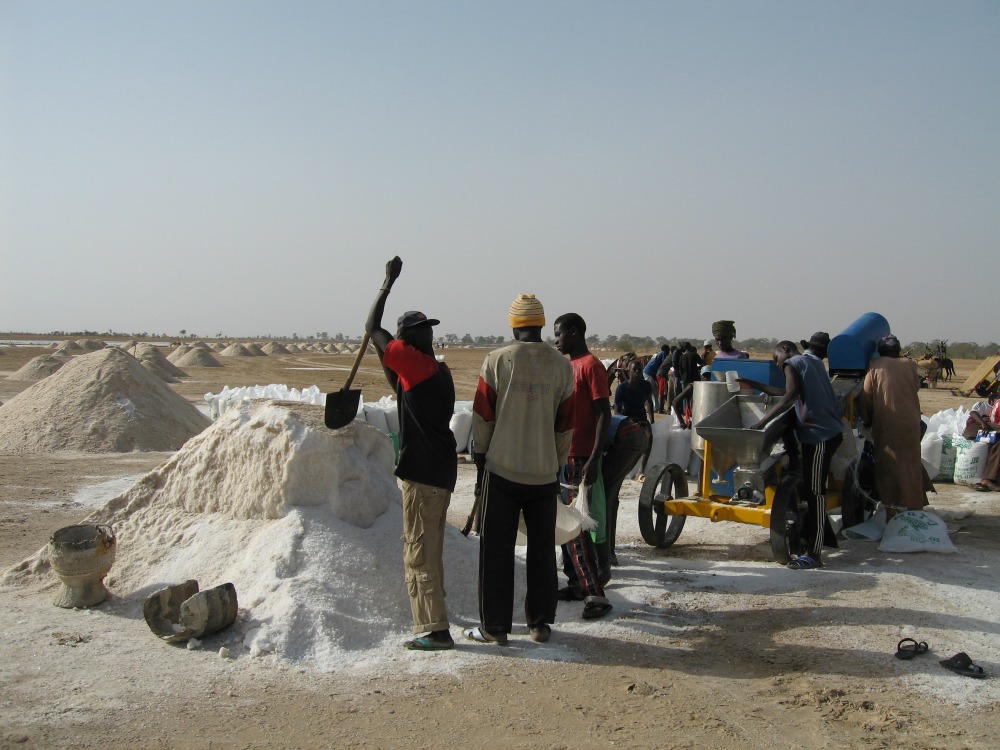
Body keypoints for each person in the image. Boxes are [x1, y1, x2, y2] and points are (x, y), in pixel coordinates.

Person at [467, 293, 574, 645]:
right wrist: (557, 463)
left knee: (496, 551)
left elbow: (483, 414)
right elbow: (565, 424)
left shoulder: (497, 360)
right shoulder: (561, 365)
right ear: (541, 324)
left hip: (502, 469)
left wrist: (481, 456)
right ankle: (539, 624)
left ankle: (495, 628)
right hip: (543, 473)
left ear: (514, 325)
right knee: (542, 552)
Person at [365, 257, 458, 651]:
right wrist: (384, 352)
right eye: (423, 330)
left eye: (426, 330)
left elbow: (373, 328)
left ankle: (433, 631)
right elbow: (396, 381)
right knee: (430, 553)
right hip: (441, 473)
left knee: (418, 555)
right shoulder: (436, 371)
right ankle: (437, 622)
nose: (428, 335)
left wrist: (387, 282)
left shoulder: (416, 364)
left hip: (422, 475)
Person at [740, 339, 844, 570]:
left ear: (785, 350)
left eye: (776, 358)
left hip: (819, 435)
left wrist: (762, 423)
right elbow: (787, 392)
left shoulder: (792, 363)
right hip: (828, 432)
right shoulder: (812, 362)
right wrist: (754, 384)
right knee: (811, 489)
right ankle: (815, 541)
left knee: (815, 493)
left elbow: (790, 395)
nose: (778, 365)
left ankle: (814, 555)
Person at [552, 313, 614, 619]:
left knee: (575, 528)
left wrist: (594, 458)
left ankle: (595, 594)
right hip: (563, 457)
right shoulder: (567, 366)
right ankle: (576, 583)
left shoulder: (591, 365)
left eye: (559, 334)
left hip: (580, 458)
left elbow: (604, 413)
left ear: (574, 332)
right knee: (564, 524)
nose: (556, 340)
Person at [858, 334, 935, 511]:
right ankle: (914, 505)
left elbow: (866, 397)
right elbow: (915, 387)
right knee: (910, 464)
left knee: (889, 465)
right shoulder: (910, 365)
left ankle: (892, 506)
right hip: (911, 422)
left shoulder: (875, 366)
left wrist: (867, 420)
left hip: (887, 424)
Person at [600, 414, 650, 565]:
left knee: (605, 496)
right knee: (611, 494)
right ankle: (608, 550)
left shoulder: (591, 420)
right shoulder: (601, 417)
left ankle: (606, 554)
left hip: (628, 438)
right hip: (636, 436)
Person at [614, 359, 655, 480]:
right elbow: (616, 410)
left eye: (639, 370)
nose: (637, 372)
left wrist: (652, 420)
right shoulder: (622, 388)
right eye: (634, 370)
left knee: (649, 437)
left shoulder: (646, 385)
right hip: (627, 418)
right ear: (629, 371)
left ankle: (641, 470)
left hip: (641, 417)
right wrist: (626, 421)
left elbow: (649, 402)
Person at [963, 402, 1000, 491]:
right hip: (974, 428)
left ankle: (987, 480)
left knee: (998, 443)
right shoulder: (983, 405)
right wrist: (982, 422)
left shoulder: (995, 412)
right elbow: (973, 412)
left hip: (987, 433)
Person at [643, 345, 670, 413]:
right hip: (649, 372)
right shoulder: (663, 353)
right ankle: (644, 406)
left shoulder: (657, 353)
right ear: (666, 350)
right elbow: (664, 363)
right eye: (668, 350)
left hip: (649, 372)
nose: (669, 352)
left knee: (655, 391)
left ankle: (656, 408)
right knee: (649, 391)